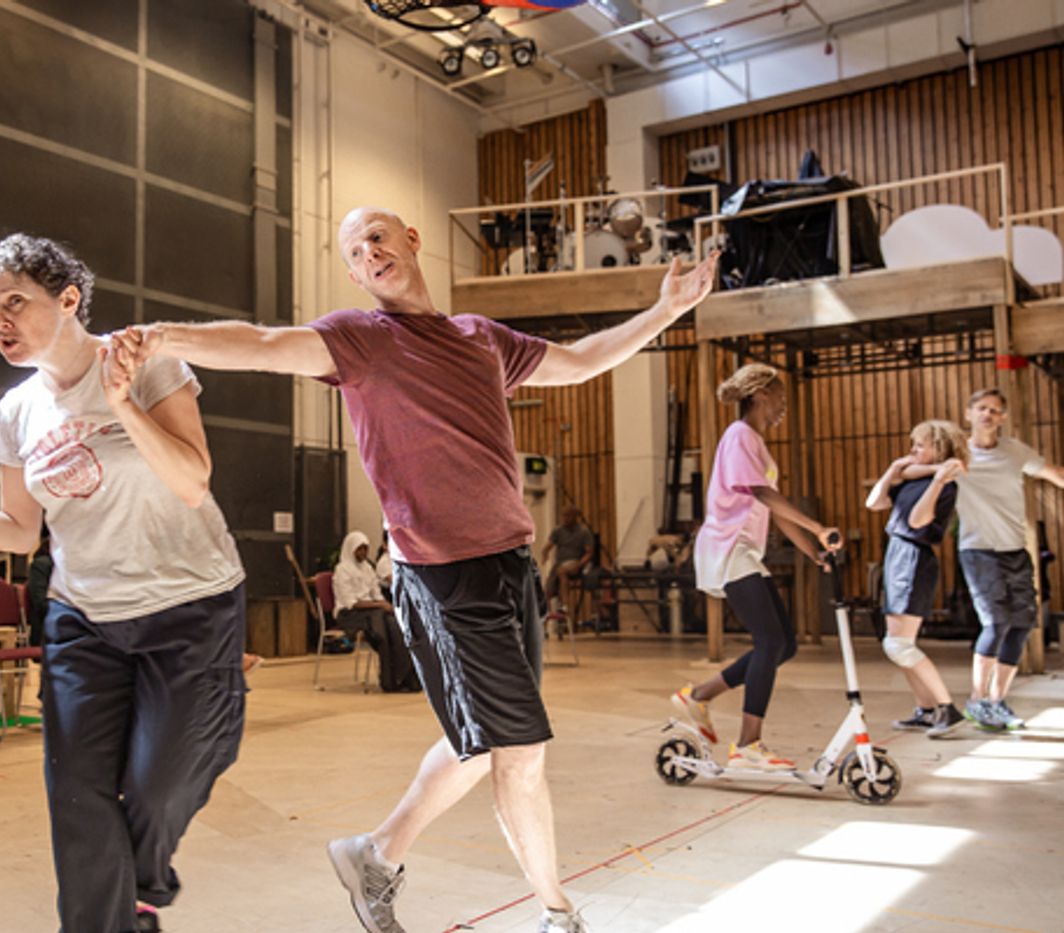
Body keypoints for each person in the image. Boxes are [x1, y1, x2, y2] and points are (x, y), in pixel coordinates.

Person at [122, 206, 720, 933]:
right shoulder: (360, 339)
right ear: (351, 274)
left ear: (410, 238)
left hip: (509, 566)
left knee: (482, 744)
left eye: (378, 236)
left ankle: (373, 853)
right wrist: (161, 339)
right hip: (443, 574)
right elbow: (264, 344)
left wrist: (663, 310)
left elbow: (583, 359)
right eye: (354, 250)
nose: (370, 252)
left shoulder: (482, 337)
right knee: (520, 750)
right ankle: (557, 912)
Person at [0, 233, 246, 933]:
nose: (0, 322)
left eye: (15, 301)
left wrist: (124, 405)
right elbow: (19, 529)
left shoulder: (143, 362)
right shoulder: (16, 410)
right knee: (76, 794)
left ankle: (138, 878)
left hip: (190, 603)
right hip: (84, 617)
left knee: (162, 782)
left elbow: (194, 480)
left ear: (69, 298)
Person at [671, 364, 841, 772]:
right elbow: (762, 492)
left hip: (744, 549)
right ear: (761, 394)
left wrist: (812, 550)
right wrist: (818, 526)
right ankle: (748, 744)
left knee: (785, 643)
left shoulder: (757, 444)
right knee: (769, 640)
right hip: (729, 547)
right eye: (780, 397)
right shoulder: (740, 436)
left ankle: (699, 695)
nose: (783, 407)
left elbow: (773, 508)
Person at [953, 387, 1064, 730]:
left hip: (1015, 548)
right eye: (982, 408)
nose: (988, 414)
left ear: (1003, 418)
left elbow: (1054, 474)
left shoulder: (1015, 451)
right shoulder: (956, 455)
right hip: (977, 549)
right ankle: (976, 700)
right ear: (969, 414)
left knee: (1022, 624)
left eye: (995, 410)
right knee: (996, 622)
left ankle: (997, 701)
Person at [865, 420, 968, 738]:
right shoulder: (911, 478)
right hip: (897, 554)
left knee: (898, 645)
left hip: (914, 558)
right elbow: (874, 502)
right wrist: (894, 468)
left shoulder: (946, 487)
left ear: (938, 448)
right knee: (898, 644)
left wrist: (937, 481)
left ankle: (947, 709)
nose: (913, 450)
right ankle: (925, 710)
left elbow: (917, 520)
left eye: (920, 445)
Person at [333, 530, 419, 693]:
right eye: (360, 549)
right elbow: (350, 603)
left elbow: (377, 595)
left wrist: (385, 606)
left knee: (394, 627)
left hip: (373, 614)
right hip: (349, 615)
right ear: (351, 549)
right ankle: (391, 681)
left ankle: (405, 679)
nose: (363, 553)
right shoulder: (342, 570)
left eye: (365, 549)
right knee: (384, 625)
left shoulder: (367, 568)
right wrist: (379, 605)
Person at [540, 506, 594, 621]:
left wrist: (579, 564)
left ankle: (564, 605)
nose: (565, 518)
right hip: (559, 563)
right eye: (563, 516)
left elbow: (589, 552)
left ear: (575, 517)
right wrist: (544, 554)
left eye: (568, 516)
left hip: (575, 562)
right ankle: (546, 619)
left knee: (562, 571)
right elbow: (547, 546)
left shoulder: (583, 531)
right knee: (547, 591)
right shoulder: (558, 531)